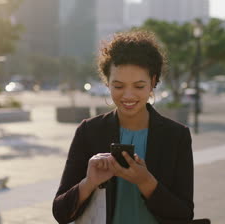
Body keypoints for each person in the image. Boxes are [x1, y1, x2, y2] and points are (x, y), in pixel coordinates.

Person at [52, 31, 194, 224]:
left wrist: (146, 182)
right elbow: (61, 213)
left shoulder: (176, 136)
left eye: (139, 86)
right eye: (118, 86)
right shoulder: (89, 131)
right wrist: (89, 183)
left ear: (153, 82)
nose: (128, 95)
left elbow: (184, 214)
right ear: (107, 82)